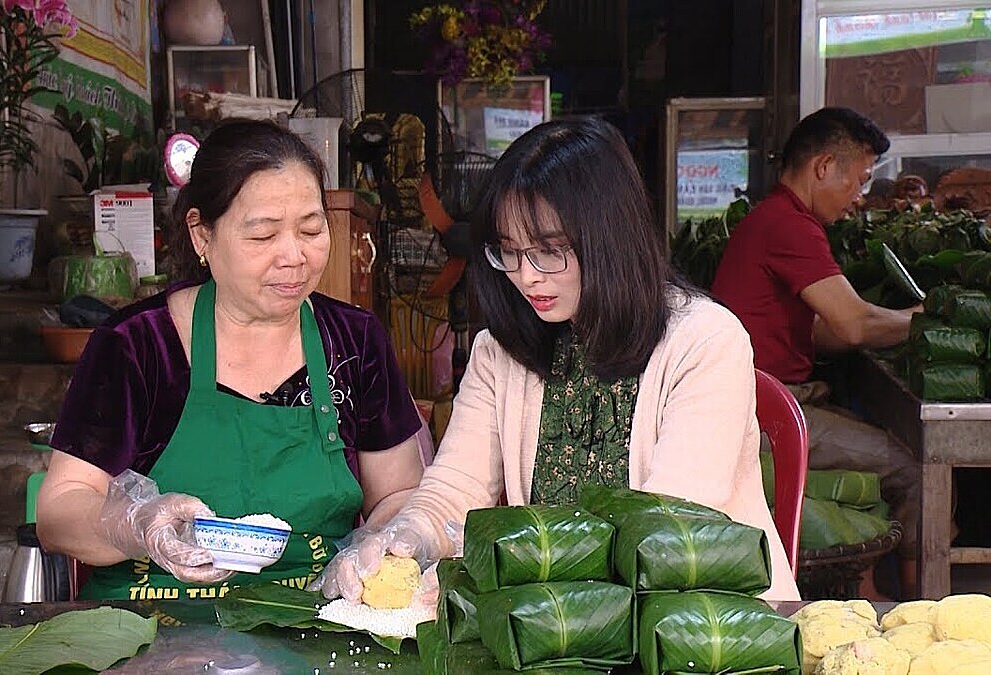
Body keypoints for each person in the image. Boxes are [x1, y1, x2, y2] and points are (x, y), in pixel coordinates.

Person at [312, 117, 800, 603]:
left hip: (700, 624)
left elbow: (662, 532)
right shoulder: (499, 351)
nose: (526, 277)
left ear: (609, 237)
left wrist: (494, 573)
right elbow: (454, 492)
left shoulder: (705, 341)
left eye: (548, 251)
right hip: (564, 631)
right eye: (509, 252)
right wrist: (407, 540)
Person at [36, 119, 426, 600]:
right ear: (202, 235)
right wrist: (134, 525)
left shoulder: (355, 341)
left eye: (311, 229)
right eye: (262, 236)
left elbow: (398, 494)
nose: (294, 256)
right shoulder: (136, 345)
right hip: (150, 625)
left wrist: (381, 544)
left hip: (312, 614)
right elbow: (59, 511)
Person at [711, 106, 922, 599]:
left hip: (769, 400)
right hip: (764, 413)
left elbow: (823, 333)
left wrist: (892, 323)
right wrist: (924, 322)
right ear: (824, 167)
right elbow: (850, 325)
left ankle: (869, 588)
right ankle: (920, 600)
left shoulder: (776, 218)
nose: (860, 196)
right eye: (860, 180)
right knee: (911, 466)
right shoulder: (789, 225)